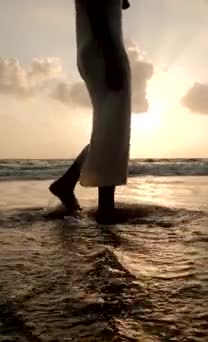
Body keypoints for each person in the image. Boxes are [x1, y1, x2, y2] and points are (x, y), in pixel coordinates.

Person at [49, 0, 132, 224]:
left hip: (97, 48)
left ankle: (67, 184)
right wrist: (109, 56)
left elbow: (121, 5)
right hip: (105, 49)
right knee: (114, 127)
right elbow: (98, 13)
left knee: (109, 126)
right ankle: (106, 209)